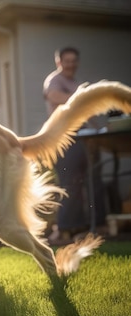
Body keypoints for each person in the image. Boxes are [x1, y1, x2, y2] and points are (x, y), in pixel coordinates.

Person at [43, 46, 106, 242]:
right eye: (66, 60)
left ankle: (96, 224)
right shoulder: (54, 80)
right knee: (69, 183)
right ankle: (65, 228)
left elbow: (88, 113)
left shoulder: (78, 84)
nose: (70, 64)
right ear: (59, 62)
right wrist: (83, 99)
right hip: (64, 137)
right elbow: (54, 96)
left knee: (93, 179)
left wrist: (97, 130)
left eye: (73, 61)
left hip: (84, 135)